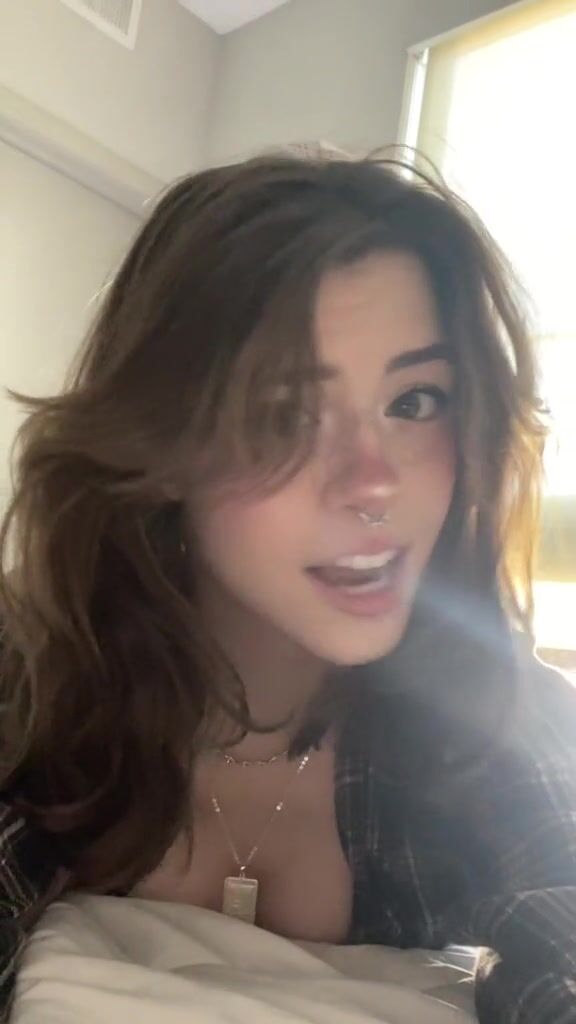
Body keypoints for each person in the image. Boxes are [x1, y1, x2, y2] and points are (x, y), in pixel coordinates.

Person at [1, 147, 575, 1024]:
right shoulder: (30, 681)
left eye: (416, 402)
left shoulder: (503, 721)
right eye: (283, 413)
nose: (374, 483)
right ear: (162, 447)